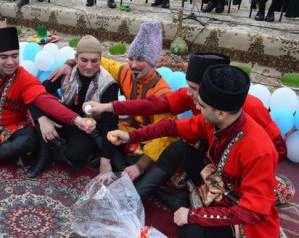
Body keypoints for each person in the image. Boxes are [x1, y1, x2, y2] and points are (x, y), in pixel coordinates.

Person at [107, 65, 280, 238]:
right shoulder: (215, 121)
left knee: (188, 232)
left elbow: (252, 212)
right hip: (218, 184)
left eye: (203, 106)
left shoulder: (259, 150)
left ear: (221, 113)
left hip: (241, 209)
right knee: (179, 149)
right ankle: (136, 197)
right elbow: (172, 127)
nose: (197, 107)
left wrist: (194, 215)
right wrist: (130, 137)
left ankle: (182, 203)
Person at [0, 27, 96, 171]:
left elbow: (44, 100)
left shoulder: (24, 77)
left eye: (15, 56)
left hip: (14, 131)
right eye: (3, 57)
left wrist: (76, 119)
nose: (10, 62)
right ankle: (3, 155)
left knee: (26, 142)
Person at [85, 52, 287, 159]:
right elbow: (153, 107)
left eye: (194, 88)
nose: (189, 93)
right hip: (212, 147)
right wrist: (108, 107)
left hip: (247, 160)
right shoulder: (192, 101)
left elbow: (277, 148)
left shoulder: (250, 107)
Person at [50, 21, 175, 182]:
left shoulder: (162, 93)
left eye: (141, 60)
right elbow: (95, 60)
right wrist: (69, 63)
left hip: (152, 139)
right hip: (128, 130)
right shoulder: (126, 72)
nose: (134, 65)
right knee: (103, 129)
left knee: (140, 169)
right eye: (131, 58)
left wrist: (140, 167)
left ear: (153, 62)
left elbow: (164, 136)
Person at [26, 35, 119, 178]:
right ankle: (43, 156)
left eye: (94, 61)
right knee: (38, 112)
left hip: (88, 128)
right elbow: (37, 94)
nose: (89, 66)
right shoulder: (66, 71)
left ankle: (51, 149)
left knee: (76, 154)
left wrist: (106, 160)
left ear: (101, 60)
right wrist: (42, 119)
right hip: (64, 116)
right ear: (76, 58)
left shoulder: (108, 85)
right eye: (84, 60)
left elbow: (110, 124)